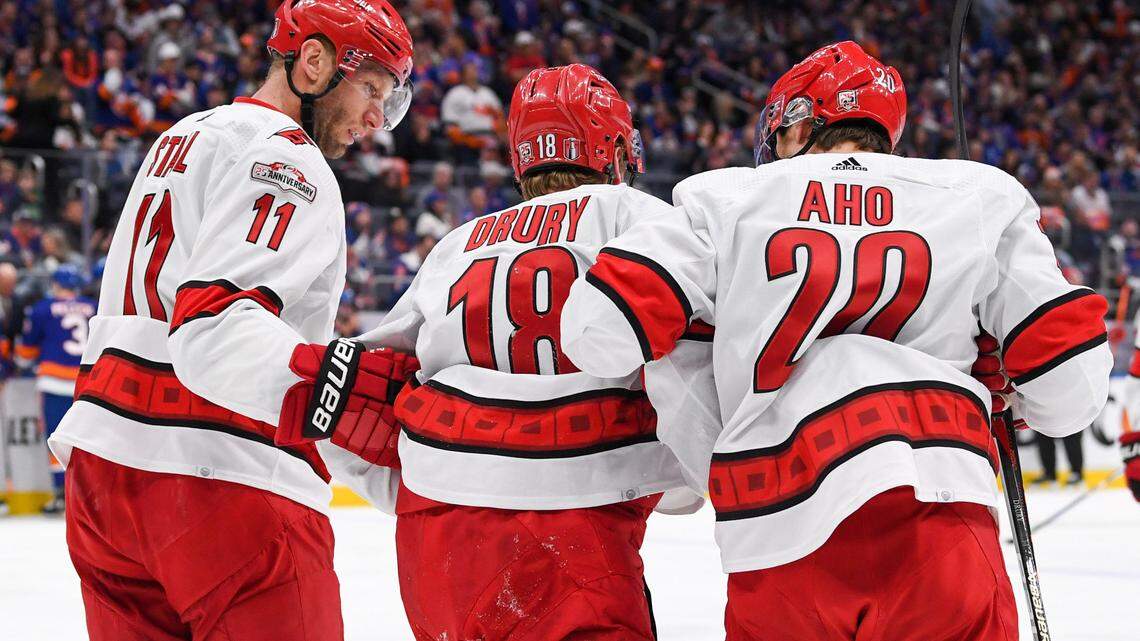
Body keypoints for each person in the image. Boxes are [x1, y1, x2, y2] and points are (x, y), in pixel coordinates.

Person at [561, 41, 1112, 639]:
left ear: (801, 122)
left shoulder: (721, 198)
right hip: (938, 510)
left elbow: (597, 333)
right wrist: (1008, 386)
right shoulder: (979, 194)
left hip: (775, 534)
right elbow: (1072, 390)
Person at [46, 2, 417, 639]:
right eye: (371, 89)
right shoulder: (289, 160)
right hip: (222, 483)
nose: (377, 119)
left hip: (104, 481)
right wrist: (342, 389)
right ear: (314, 61)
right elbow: (213, 325)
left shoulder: (181, 136)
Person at [357, 63, 711, 641]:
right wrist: (694, 479)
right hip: (579, 516)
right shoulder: (640, 219)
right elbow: (699, 363)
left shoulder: (458, 242)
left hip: (437, 531)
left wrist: (410, 487)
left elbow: (366, 379)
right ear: (614, 148)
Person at [15, 265, 95, 513]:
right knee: (88, 441)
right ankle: (91, 497)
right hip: (88, 382)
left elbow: (26, 352)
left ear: (56, 284)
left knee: (56, 438)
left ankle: (62, 495)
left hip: (54, 381)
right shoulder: (94, 306)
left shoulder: (42, 308)